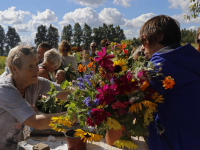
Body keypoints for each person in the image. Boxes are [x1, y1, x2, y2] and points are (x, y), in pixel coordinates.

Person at [140, 15, 200, 150]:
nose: (143, 47)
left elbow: (130, 103)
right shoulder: (192, 59)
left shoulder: (159, 66)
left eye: (143, 40)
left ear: (159, 36)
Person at [0, 45, 73, 150]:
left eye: (36, 64)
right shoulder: (5, 89)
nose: (37, 69)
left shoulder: (35, 82)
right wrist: (73, 116)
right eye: (30, 66)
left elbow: (64, 91)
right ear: (14, 69)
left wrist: (92, 96)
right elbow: (35, 122)